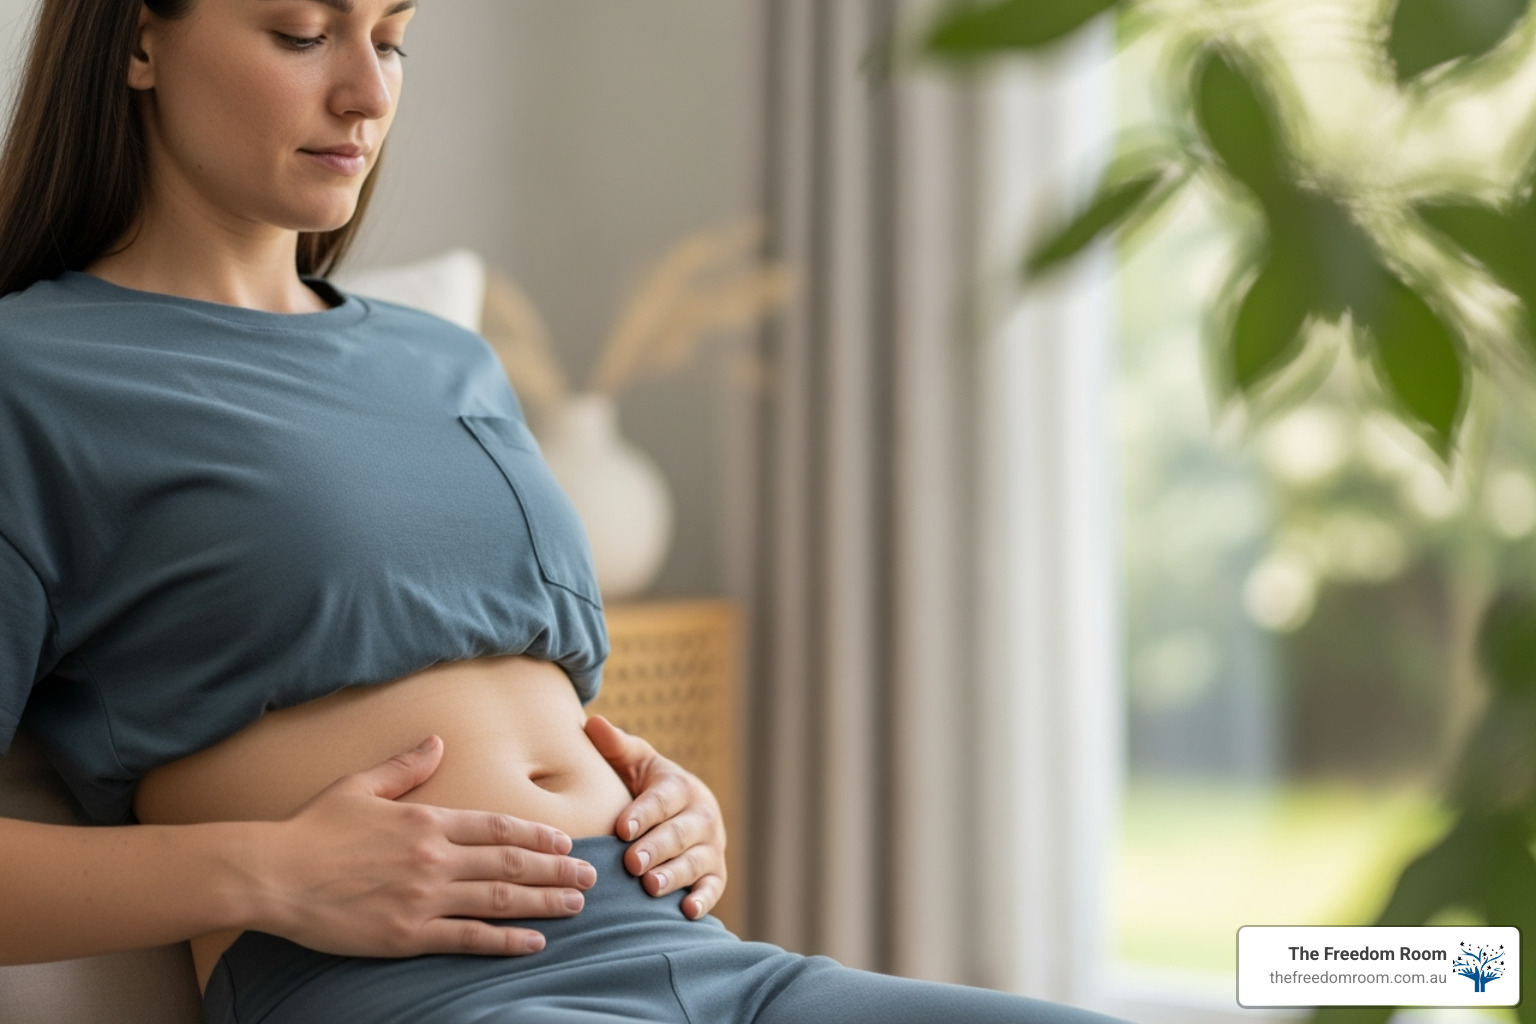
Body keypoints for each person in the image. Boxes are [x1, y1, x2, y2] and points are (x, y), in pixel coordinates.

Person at [0, 2, 1137, 1022]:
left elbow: (513, 691)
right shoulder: (34, 376)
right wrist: (272, 871)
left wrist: (669, 796)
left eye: (393, 40)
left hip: (700, 955)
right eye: (304, 33)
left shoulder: (446, 359)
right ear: (140, 38)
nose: (368, 89)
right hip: (417, 989)